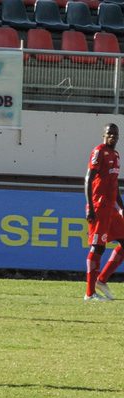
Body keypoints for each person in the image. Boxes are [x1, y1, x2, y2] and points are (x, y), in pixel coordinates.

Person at [84, 122, 124, 301]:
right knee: (98, 247)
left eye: (115, 134)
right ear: (104, 135)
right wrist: (90, 208)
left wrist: (121, 207)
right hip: (99, 207)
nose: (112, 137)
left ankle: (102, 280)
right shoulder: (99, 152)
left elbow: (114, 184)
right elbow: (88, 179)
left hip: (112, 209)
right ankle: (89, 293)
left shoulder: (116, 155)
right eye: (109, 134)